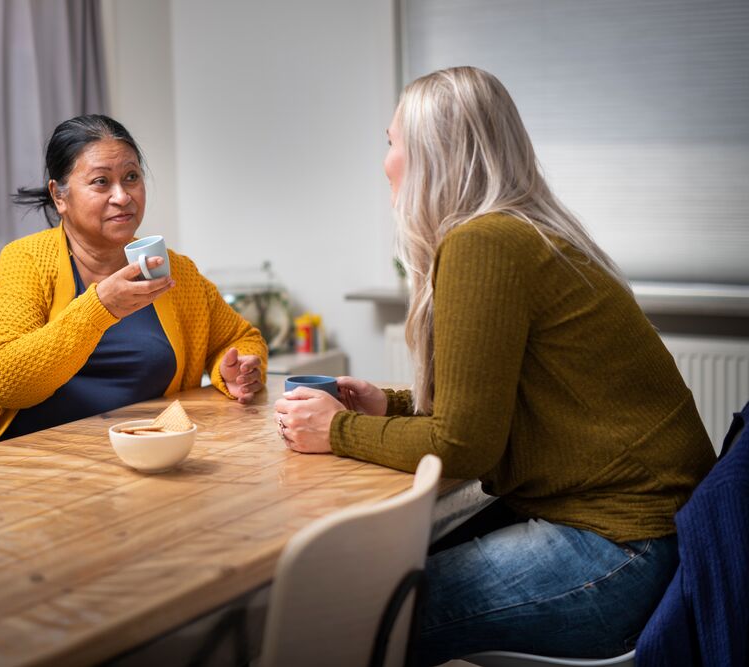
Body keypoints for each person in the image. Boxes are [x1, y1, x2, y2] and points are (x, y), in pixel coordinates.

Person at [273, 67, 716, 664]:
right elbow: (490, 407)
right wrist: (391, 406)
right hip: (655, 536)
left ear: (430, 155)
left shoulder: (485, 242)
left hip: (621, 549)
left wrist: (336, 429)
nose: (386, 162)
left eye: (392, 143)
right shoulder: (528, 230)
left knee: (351, 618)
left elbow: (464, 446)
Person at [0, 115, 267, 452]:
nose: (122, 196)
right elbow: (8, 383)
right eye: (101, 182)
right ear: (60, 196)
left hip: (143, 456)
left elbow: (240, 338)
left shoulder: (175, 270)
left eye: (131, 177)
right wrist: (100, 308)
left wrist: (234, 369)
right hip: (29, 463)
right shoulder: (24, 261)